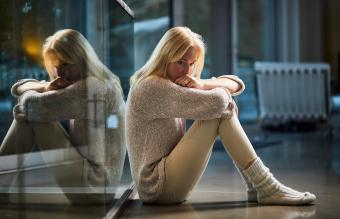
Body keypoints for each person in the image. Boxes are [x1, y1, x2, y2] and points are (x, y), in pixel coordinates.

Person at [126, 26, 316, 205]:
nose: (187, 71)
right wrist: (222, 98)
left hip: (165, 180)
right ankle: (264, 185)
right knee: (218, 113)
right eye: (181, 62)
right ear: (165, 57)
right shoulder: (153, 87)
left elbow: (237, 83)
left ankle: (257, 186)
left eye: (192, 64)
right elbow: (218, 102)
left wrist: (204, 85)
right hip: (157, 187)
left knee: (218, 110)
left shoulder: (173, 81)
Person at [0, 29, 126, 204]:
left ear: (81, 59)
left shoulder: (91, 88)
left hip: (94, 186)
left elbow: (29, 105)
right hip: (99, 183)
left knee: (32, 117)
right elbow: (18, 86)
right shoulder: (102, 81)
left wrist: (41, 91)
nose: (60, 73)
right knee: (33, 114)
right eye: (56, 66)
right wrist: (44, 88)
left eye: (65, 65)